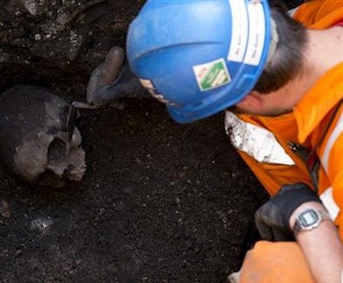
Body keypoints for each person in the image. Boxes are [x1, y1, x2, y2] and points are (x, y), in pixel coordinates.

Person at [85, 0, 343, 282]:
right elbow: (245, 42)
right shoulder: (326, 13)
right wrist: (178, 73)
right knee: (249, 125)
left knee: (277, 270)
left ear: (249, 97)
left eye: (228, 103)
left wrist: (307, 217)